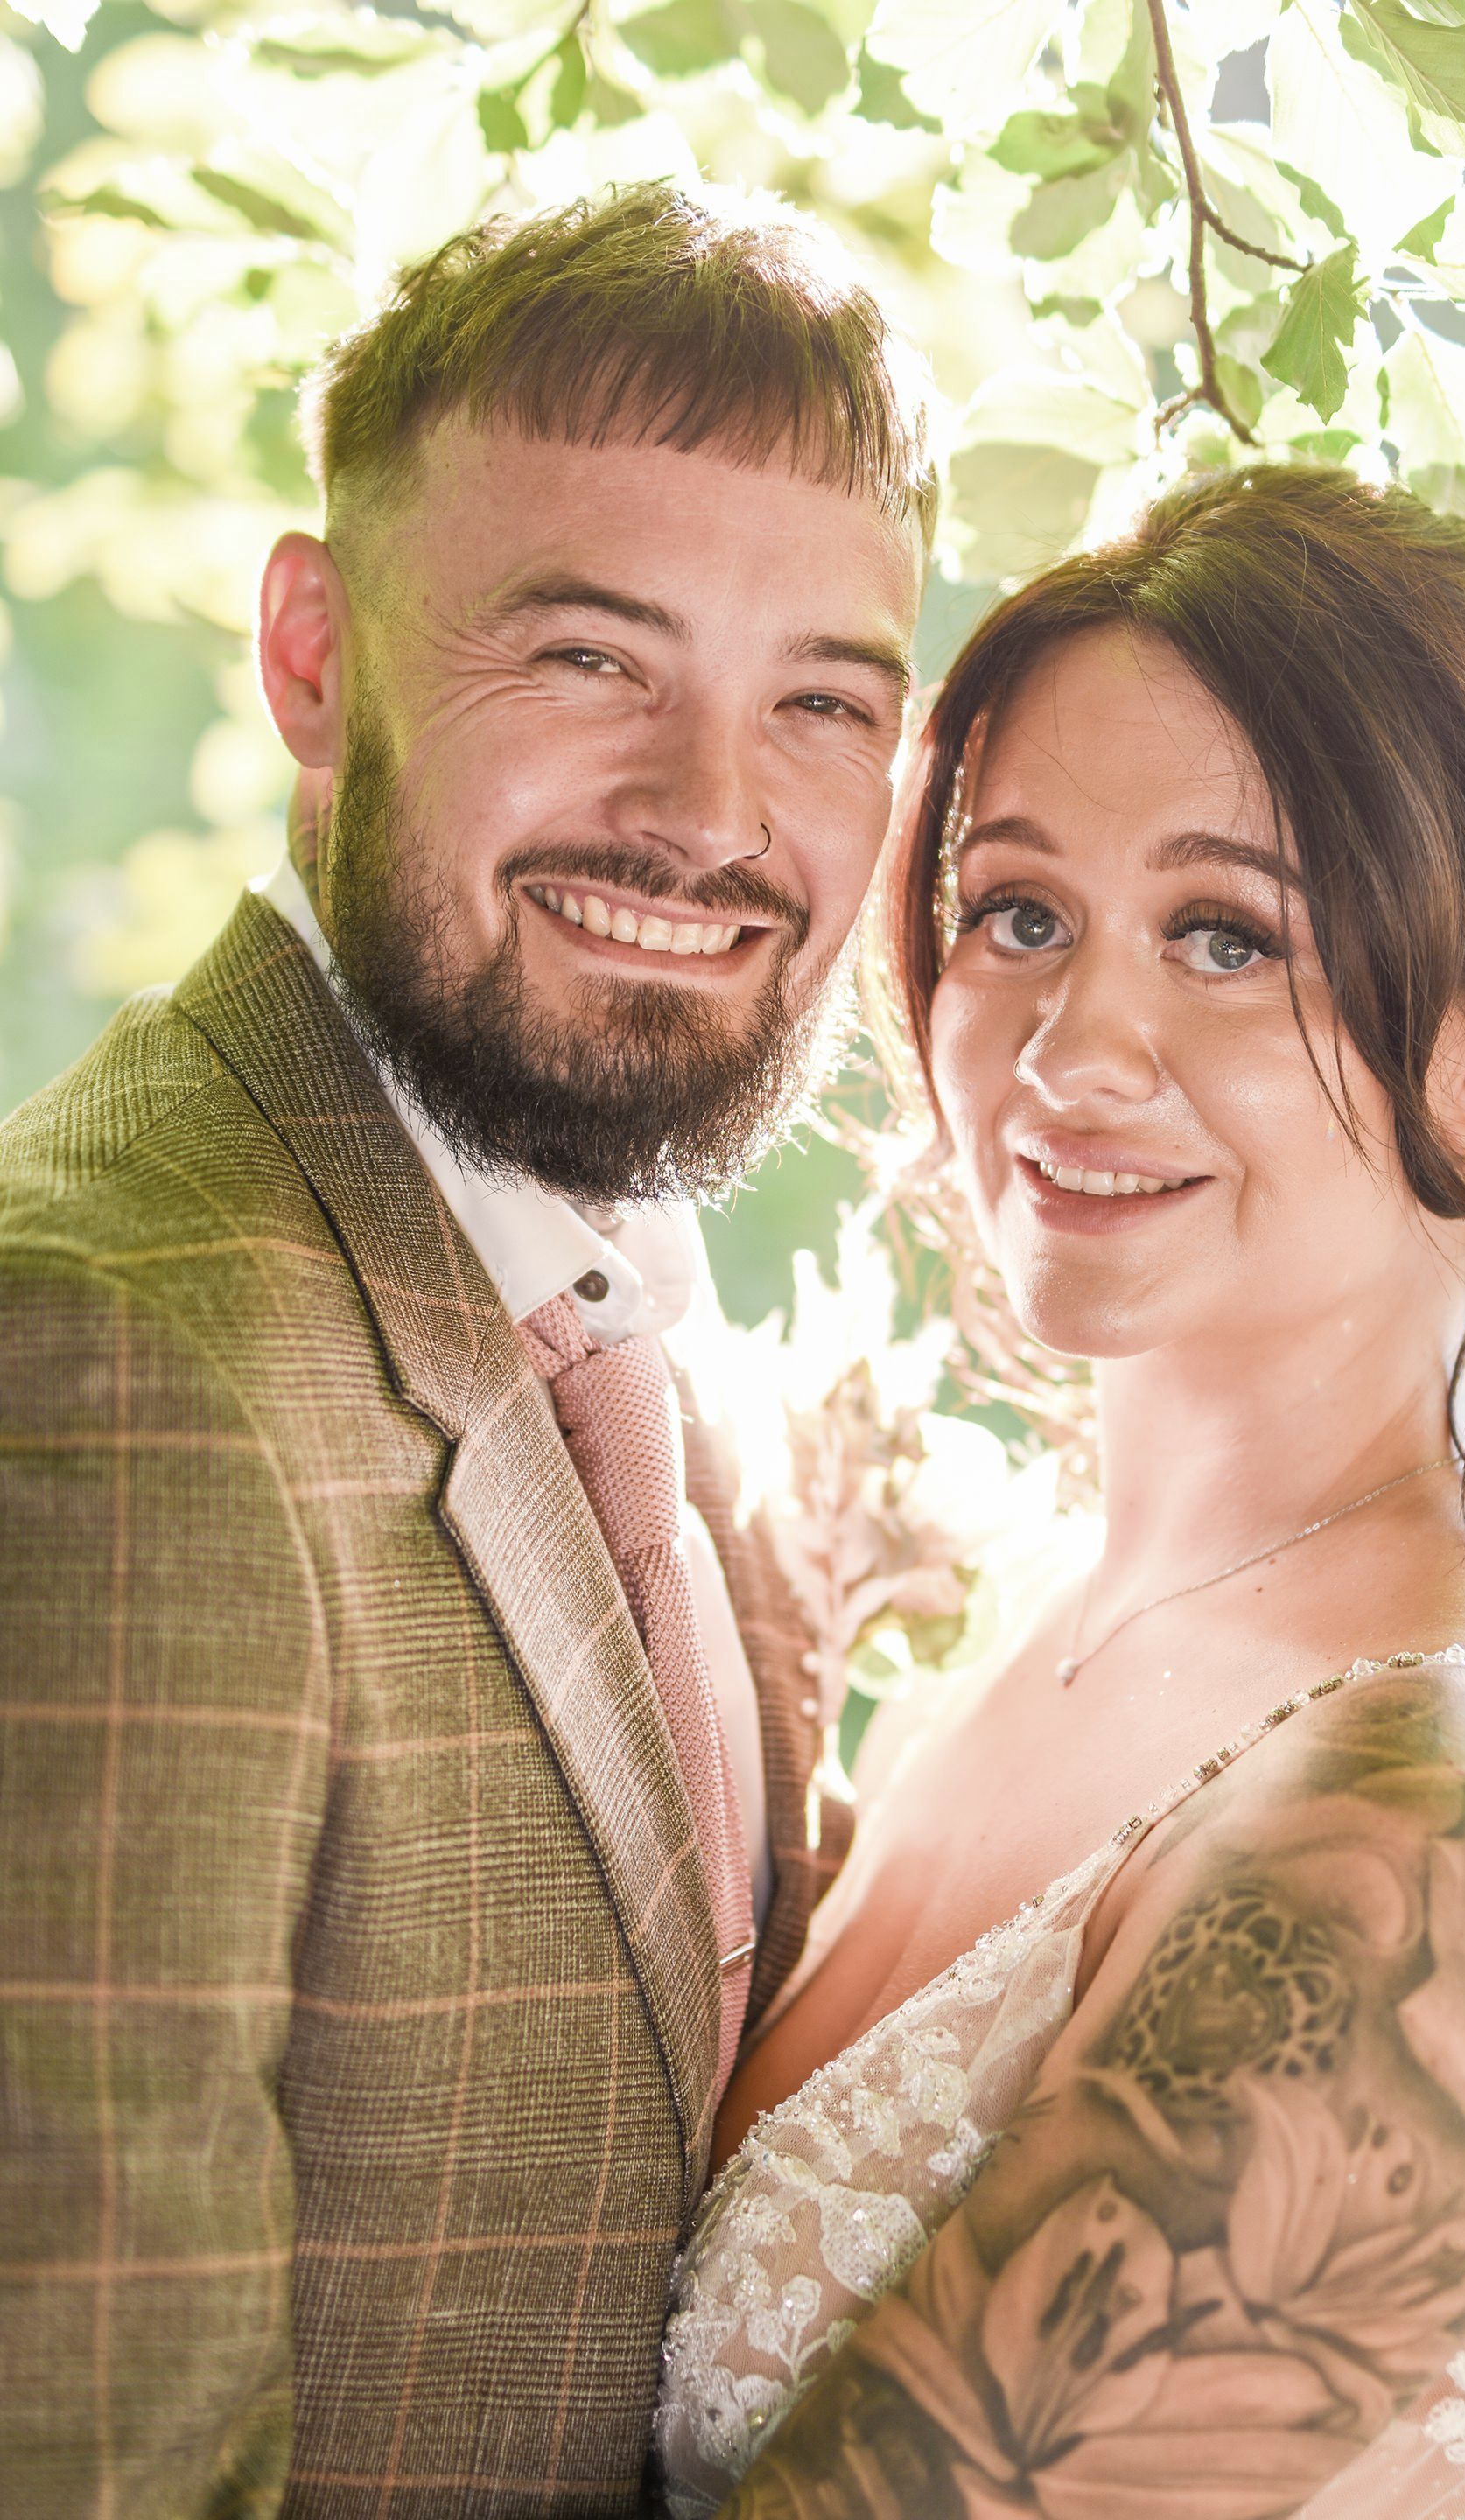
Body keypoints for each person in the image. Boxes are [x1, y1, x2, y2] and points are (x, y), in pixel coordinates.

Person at [0, 180, 929, 2514]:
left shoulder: (602, 1290)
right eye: (593, 658)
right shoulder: (115, 1365)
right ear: (314, 658)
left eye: (821, 699)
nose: (716, 817)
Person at [655, 466, 1465, 2519]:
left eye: (1225, 937)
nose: (1071, 1049)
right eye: (1020, 916)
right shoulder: (1055, 1610)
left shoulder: (1453, 1836)